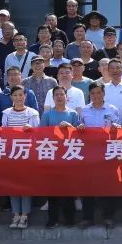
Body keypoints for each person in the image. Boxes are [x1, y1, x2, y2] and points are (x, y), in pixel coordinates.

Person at [0, 85, 40, 229]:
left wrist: (31, 129)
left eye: (21, 95)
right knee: (12, 185)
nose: (18, 98)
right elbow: (4, 133)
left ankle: (24, 215)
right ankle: (15, 214)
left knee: (25, 185)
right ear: (11, 97)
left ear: (25, 96)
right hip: (11, 154)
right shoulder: (6, 113)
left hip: (27, 154)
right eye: (15, 95)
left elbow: (39, 134)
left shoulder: (33, 113)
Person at [77, 82, 119, 228]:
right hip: (88, 154)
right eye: (93, 93)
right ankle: (87, 217)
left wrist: (116, 127)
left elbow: (120, 131)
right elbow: (77, 131)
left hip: (107, 153)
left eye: (99, 92)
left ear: (104, 94)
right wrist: (80, 128)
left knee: (107, 185)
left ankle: (108, 217)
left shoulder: (112, 109)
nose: (96, 96)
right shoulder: (84, 110)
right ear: (89, 95)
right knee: (87, 186)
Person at [38, 86, 79, 229]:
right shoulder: (47, 114)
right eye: (57, 95)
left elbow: (79, 135)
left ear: (66, 97)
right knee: (52, 189)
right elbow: (42, 134)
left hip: (68, 155)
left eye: (62, 94)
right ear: (53, 97)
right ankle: (52, 219)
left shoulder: (73, 114)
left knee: (68, 189)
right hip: (52, 156)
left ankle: (69, 219)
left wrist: (70, 127)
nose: (60, 97)